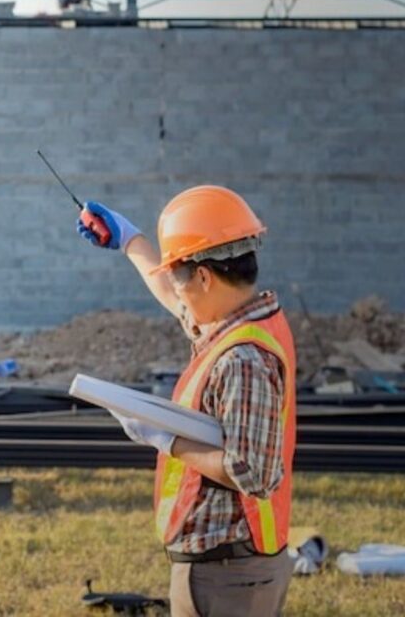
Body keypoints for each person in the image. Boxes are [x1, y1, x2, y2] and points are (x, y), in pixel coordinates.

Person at [76, 186, 296, 617]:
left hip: (229, 574)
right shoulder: (237, 322)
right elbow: (172, 295)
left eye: (180, 277)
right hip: (227, 566)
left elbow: (254, 472)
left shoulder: (243, 359)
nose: (179, 298)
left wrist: (166, 439)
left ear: (204, 277)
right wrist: (129, 239)